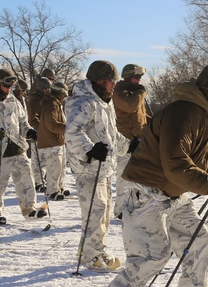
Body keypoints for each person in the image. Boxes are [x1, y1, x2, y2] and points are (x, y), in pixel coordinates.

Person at [96, 63, 208, 287]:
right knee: (153, 254)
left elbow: (191, 158)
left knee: (197, 242)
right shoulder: (184, 112)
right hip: (146, 193)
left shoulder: (202, 113)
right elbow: (174, 162)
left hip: (173, 194)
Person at [65, 60, 122, 272]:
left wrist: (130, 145)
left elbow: (111, 136)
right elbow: (72, 132)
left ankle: (90, 250)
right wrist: (90, 150)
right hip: (88, 168)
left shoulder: (104, 103)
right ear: (100, 81)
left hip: (103, 167)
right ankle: (92, 257)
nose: (114, 85)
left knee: (103, 212)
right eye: (111, 81)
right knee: (95, 212)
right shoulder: (84, 103)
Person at [0, 68, 44, 223]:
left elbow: (22, 121)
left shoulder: (12, 100)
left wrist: (28, 132)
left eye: (11, 86)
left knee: (26, 177)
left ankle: (29, 209)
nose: (9, 89)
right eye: (7, 85)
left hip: (16, 145)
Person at [112, 63, 150, 218]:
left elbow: (140, 115)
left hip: (138, 141)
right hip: (125, 142)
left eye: (140, 78)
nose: (139, 81)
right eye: (137, 78)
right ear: (128, 77)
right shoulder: (120, 92)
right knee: (124, 178)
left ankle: (132, 207)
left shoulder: (134, 93)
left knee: (137, 178)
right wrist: (141, 93)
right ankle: (120, 210)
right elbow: (130, 106)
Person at [33, 77, 70, 200]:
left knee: (60, 166)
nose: (64, 97)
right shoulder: (51, 104)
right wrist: (68, 129)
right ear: (60, 93)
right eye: (64, 95)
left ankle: (59, 187)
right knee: (54, 167)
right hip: (51, 141)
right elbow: (52, 124)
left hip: (57, 141)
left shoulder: (55, 103)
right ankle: (52, 191)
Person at [28, 66, 56, 189]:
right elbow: (33, 116)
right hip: (37, 128)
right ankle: (38, 181)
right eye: (49, 79)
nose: (51, 82)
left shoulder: (48, 93)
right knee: (37, 158)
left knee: (46, 158)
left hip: (46, 129)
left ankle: (45, 180)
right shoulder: (35, 94)